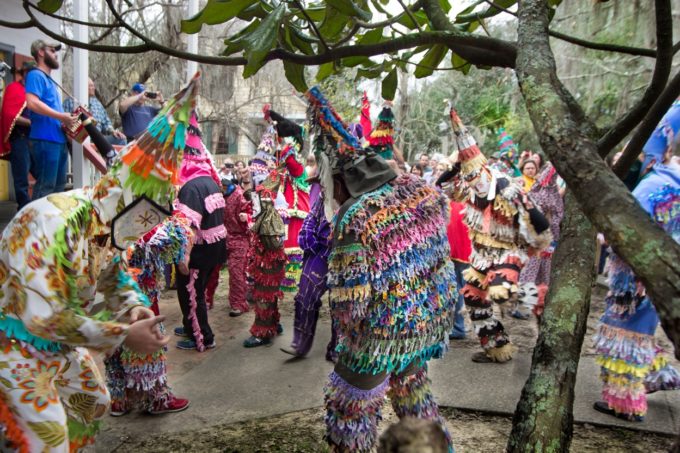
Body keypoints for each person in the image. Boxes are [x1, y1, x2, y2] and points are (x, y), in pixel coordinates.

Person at [0, 72, 201, 452]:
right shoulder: (53, 221)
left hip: (57, 342)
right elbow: (44, 316)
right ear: (125, 197)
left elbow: (112, 274)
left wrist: (134, 308)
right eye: (146, 214)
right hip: (14, 342)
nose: (146, 226)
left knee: (93, 402)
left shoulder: (106, 225)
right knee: (48, 439)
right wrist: (123, 335)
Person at [306, 86, 456, 452]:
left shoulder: (355, 215)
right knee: (414, 394)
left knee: (349, 406)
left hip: (379, 335)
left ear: (339, 180)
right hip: (427, 324)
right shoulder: (421, 191)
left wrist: (345, 334)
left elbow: (350, 304)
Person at [436, 107, 551, 364]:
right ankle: (496, 346)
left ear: (485, 170)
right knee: (472, 297)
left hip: (507, 249)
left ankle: (540, 302)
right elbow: (440, 187)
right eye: (469, 178)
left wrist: (537, 245)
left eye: (476, 177)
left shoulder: (507, 189)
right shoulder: (469, 187)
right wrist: (455, 167)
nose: (474, 183)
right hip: (481, 253)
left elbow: (538, 222)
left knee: (501, 290)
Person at [593, 101, 680, 422]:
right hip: (663, 276)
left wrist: (606, 235)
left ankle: (625, 405)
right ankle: (660, 375)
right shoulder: (675, 183)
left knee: (623, 334)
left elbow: (624, 232)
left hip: (635, 278)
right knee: (643, 330)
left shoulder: (654, 185)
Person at [172, 113, 227, 352]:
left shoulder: (190, 188)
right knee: (197, 290)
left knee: (191, 295)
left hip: (200, 251)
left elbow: (189, 227)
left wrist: (184, 256)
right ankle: (189, 326)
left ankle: (203, 336)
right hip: (214, 248)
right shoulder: (210, 181)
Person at [280, 177, 338, 360]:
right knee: (304, 297)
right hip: (319, 254)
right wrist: (309, 240)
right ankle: (299, 344)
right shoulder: (323, 197)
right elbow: (311, 220)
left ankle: (337, 348)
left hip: (345, 257)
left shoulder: (356, 199)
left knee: (340, 305)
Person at [264, 106, 311, 293]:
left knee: (292, 246)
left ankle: (292, 281)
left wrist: (285, 145)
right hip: (283, 211)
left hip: (295, 212)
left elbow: (289, 162)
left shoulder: (296, 165)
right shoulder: (284, 164)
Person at [24, 39, 77, 199]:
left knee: (59, 189)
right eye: (52, 50)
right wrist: (61, 116)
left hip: (58, 141)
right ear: (41, 52)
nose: (56, 55)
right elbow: (31, 102)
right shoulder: (35, 75)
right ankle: (35, 224)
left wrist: (66, 123)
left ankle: (53, 223)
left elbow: (52, 112)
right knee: (45, 188)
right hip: (45, 140)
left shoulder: (50, 81)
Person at [517, 163, 564, 319]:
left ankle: (526, 307)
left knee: (531, 274)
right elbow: (555, 221)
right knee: (542, 275)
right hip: (545, 242)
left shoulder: (538, 193)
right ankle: (538, 306)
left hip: (538, 241)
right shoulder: (553, 195)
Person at [0, 61, 35, 210]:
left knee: (42, 174)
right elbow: (9, 114)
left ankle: (35, 208)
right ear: (25, 73)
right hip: (20, 138)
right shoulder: (13, 88)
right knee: (21, 180)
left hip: (36, 139)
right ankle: (23, 211)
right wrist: (31, 123)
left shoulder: (34, 91)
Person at [63, 78, 126, 147]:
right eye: (90, 86)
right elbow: (63, 124)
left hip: (98, 138)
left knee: (121, 139)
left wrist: (113, 131)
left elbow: (106, 123)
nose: (93, 88)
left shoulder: (97, 103)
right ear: (82, 86)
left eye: (93, 85)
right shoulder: (69, 102)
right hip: (79, 140)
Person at [221, 177, 252, 317]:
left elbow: (253, 214)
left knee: (236, 271)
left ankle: (239, 304)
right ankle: (206, 301)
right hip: (221, 237)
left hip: (239, 238)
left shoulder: (239, 196)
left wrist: (247, 217)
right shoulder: (218, 196)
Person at [447, 199, 472, 340]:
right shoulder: (464, 202)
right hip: (463, 253)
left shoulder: (457, 204)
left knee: (458, 290)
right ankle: (458, 325)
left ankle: (458, 327)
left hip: (459, 254)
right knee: (460, 289)